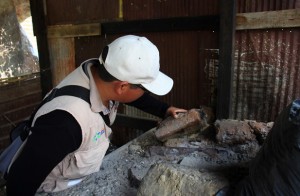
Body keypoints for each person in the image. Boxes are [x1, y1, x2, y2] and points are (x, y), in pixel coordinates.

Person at [6, 35, 187, 195]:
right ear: (122, 86)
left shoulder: (99, 72)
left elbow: (132, 96)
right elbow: (20, 182)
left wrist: (164, 109)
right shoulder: (66, 123)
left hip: (77, 171)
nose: (146, 93)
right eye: (144, 88)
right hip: (56, 188)